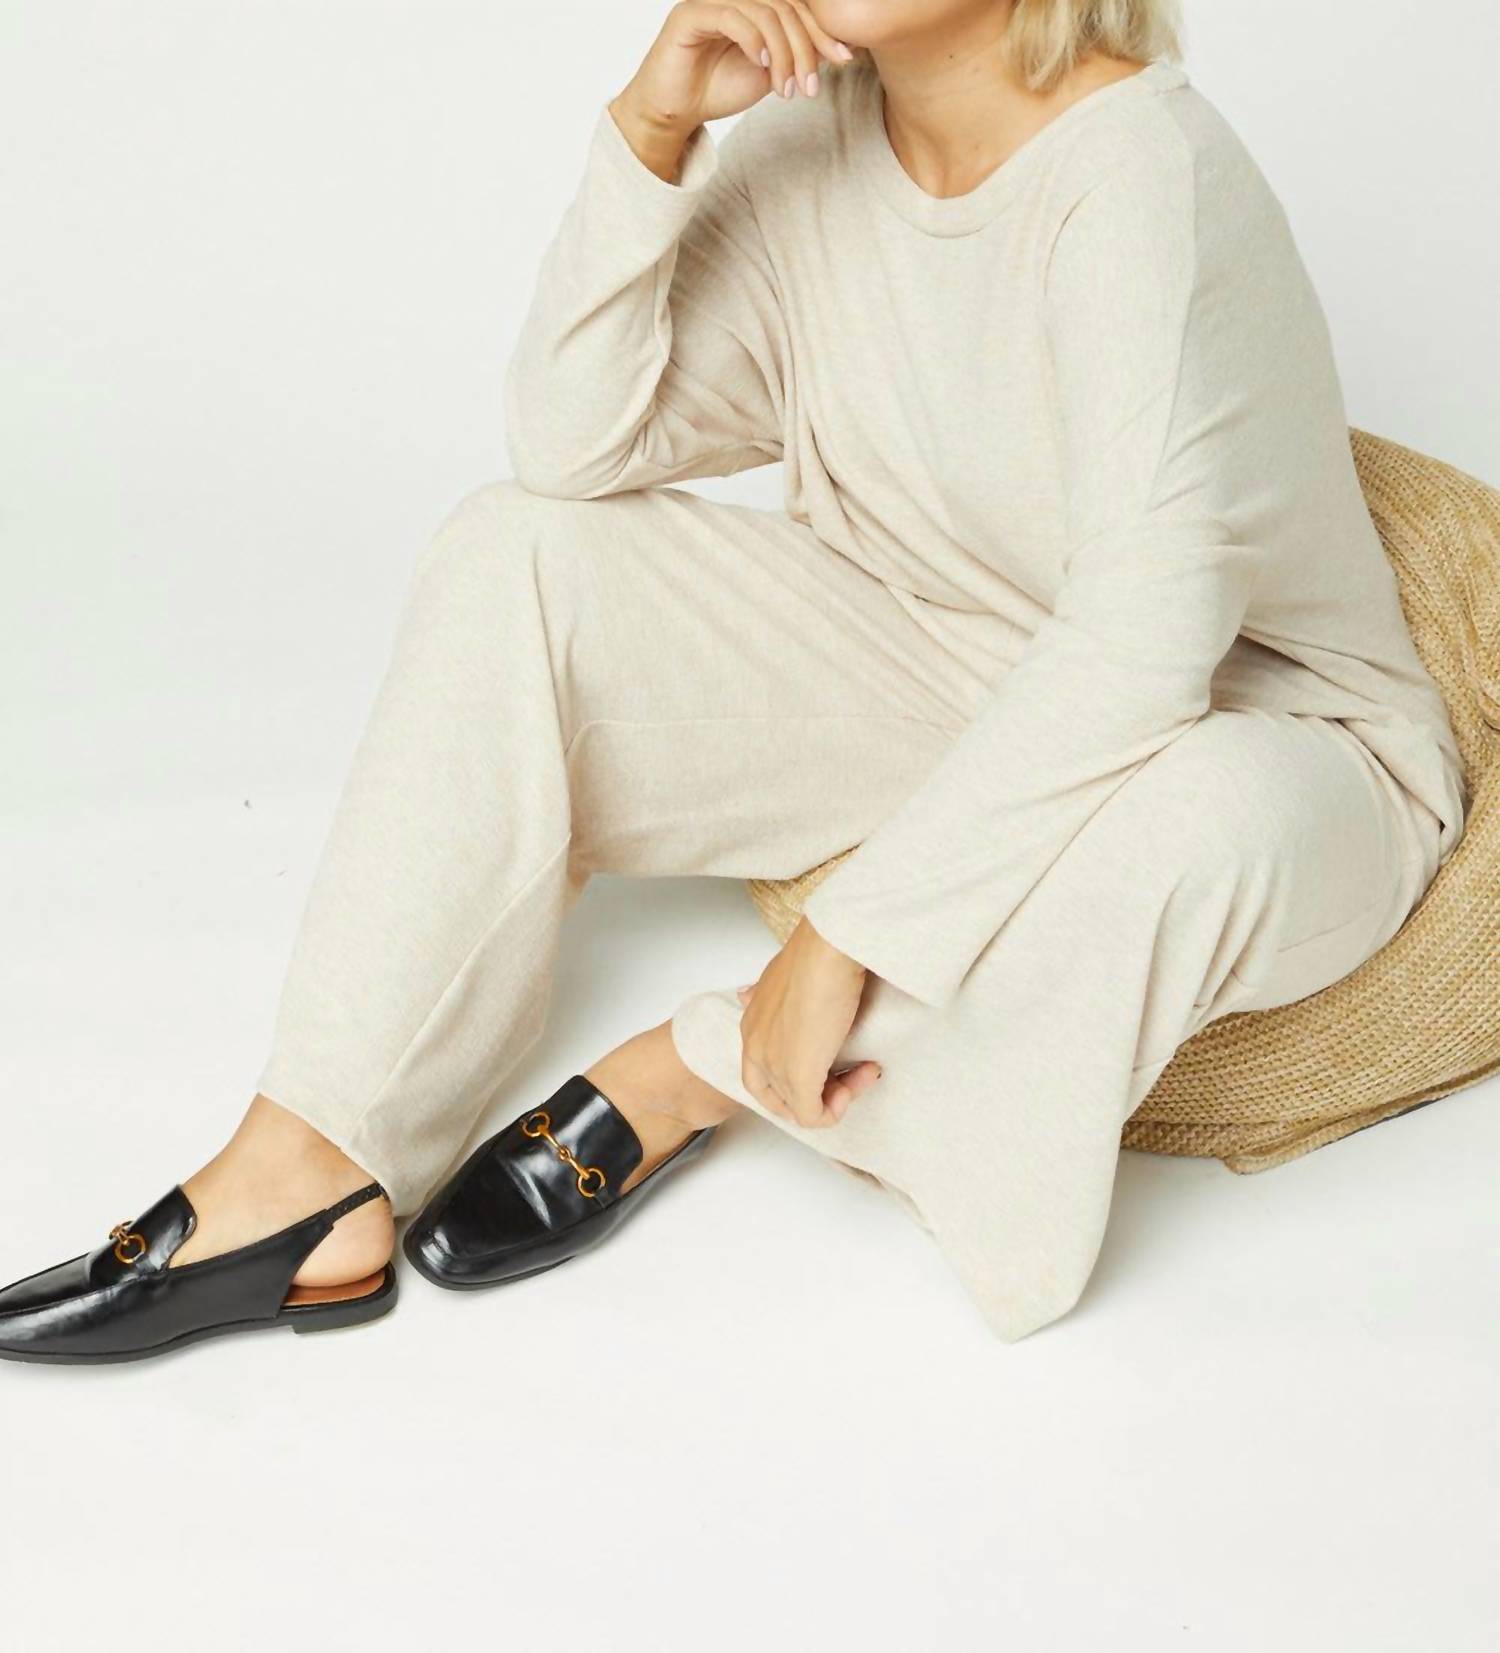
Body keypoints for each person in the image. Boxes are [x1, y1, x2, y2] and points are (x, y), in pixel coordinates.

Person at [0, 0, 1466, 1363]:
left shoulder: (1144, 177)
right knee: (515, 552)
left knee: (1196, 811)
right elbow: (576, 445)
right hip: (944, 667)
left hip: (1264, 734)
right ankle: (311, 1161)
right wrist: (650, 134)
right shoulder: (815, 135)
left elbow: (1147, 648)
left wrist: (849, 933)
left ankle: (690, 1068)